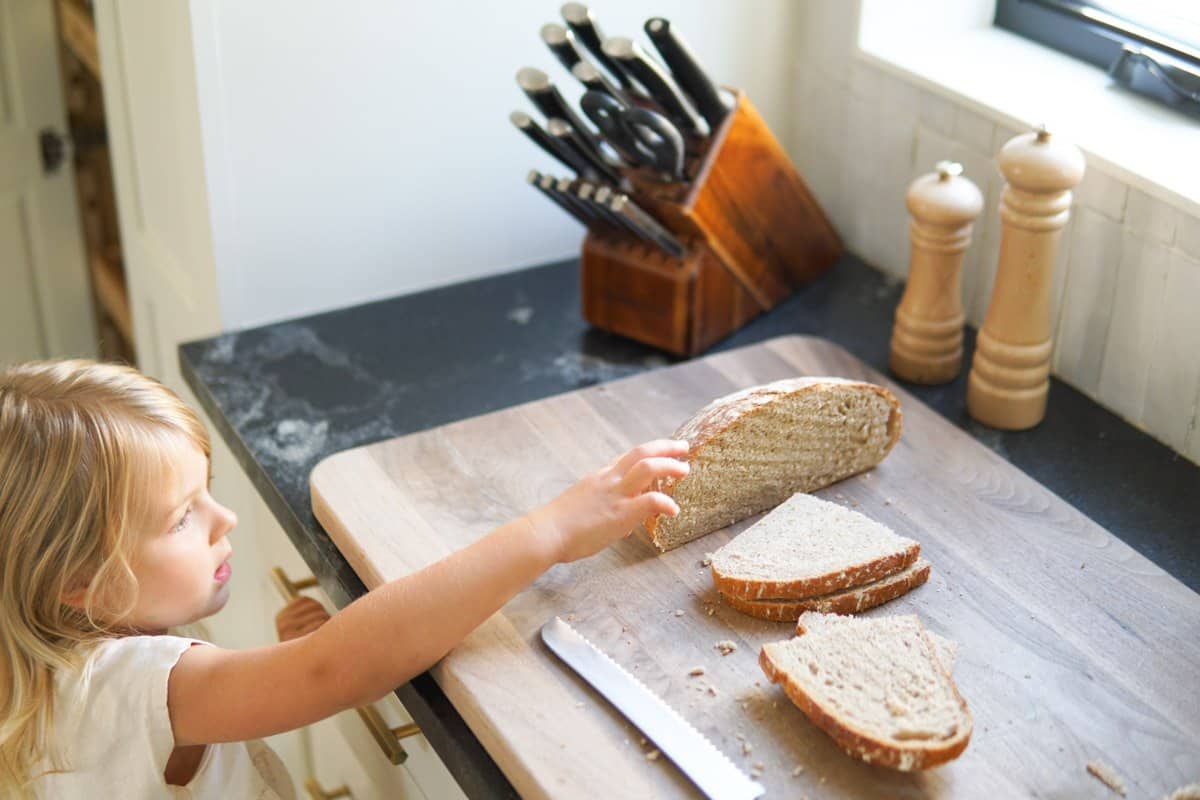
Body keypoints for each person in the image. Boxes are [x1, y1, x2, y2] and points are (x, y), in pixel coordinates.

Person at [0, 359, 689, 798]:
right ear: (79, 580)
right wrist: (553, 530)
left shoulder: (46, 674)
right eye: (184, 516)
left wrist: (271, 668)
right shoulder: (120, 686)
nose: (226, 518)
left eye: (208, 491)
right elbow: (332, 672)